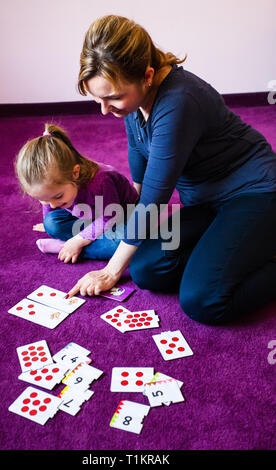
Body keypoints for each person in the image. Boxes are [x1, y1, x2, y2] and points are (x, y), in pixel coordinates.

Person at [67, 14, 276, 325]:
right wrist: (89, 232)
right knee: (146, 269)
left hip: (255, 193)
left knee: (203, 300)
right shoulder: (133, 102)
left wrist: (110, 271)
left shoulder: (180, 101)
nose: (105, 109)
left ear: (147, 75)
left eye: (112, 98)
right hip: (205, 203)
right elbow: (137, 189)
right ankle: (235, 252)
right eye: (98, 98)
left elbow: (152, 201)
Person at [15, 123, 139, 263]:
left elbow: (111, 217)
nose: (53, 205)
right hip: (92, 216)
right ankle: (80, 240)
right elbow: (50, 208)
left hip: (120, 216)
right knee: (52, 224)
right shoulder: (55, 192)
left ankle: (62, 246)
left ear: (75, 173)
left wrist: (78, 240)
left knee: (121, 244)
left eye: (58, 197)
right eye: (45, 200)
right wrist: (47, 221)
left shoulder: (101, 182)